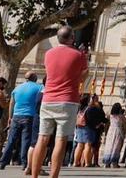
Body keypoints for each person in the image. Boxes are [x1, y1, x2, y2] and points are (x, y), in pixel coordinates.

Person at [30, 25, 89, 178]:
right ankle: (53, 176)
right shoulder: (79, 55)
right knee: (60, 141)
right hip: (67, 101)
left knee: (42, 138)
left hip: (47, 99)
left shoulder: (48, 54)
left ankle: (34, 175)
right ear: (72, 38)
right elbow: (81, 78)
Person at [0, 71, 43, 170]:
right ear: (35, 78)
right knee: (26, 140)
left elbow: (12, 103)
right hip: (30, 116)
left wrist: (10, 117)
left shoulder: (17, 88)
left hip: (16, 116)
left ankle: (2, 163)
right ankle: (24, 163)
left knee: (11, 140)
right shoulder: (39, 87)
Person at [101, 103, 126, 168]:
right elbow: (124, 126)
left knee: (109, 147)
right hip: (118, 132)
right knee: (116, 147)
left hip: (110, 132)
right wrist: (124, 133)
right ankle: (114, 162)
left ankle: (107, 163)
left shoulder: (110, 116)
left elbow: (107, 124)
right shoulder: (121, 117)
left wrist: (106, 133)